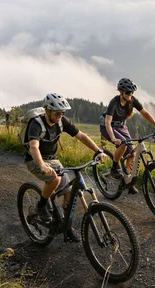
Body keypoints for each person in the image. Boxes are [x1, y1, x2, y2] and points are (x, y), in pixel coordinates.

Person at [26, 93, 107, 242]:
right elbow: (34, 147)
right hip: (35, 160)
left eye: (62, 113)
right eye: (57, 113)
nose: (60, 116)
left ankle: (66, 226)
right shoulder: (36, 124)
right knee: (54, 179)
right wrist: (42, 165)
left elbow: (81, 136)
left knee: (69, 193)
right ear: (48, 110)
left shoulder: (62, 122)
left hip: (53, 159)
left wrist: (98, 151)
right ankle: (41, 205)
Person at [99, 78, 155, 194]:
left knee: (132, 154)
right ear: (120, 91)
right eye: (128, 92)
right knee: (123, 144)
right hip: (107, 127)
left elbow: (145, 113)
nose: (130, 95)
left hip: (121, 126)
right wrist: (113, 138)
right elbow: (107, 122)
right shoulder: (114, 102)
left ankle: (128, 182)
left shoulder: (132, 100)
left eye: (132, 92)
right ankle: (114, 167)